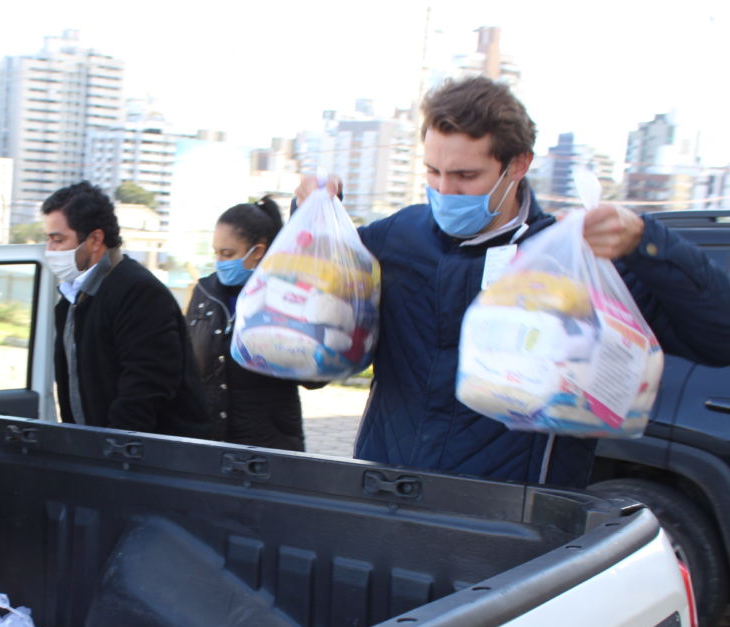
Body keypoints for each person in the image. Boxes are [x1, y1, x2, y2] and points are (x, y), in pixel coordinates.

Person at [295, 76, 730, 488]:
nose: (445, 190)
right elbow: (312, 356)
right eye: (433, 172)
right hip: (389, 492)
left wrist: (648, 244)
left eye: (466, 176)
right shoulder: (395, 237)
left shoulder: (576, 260)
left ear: (518, 165)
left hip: (517, 515)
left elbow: (718, 337)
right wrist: (312, 221)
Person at [41, 181, 211, 439]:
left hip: (147, 459)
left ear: (95, 239)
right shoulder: (71, 298)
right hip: (99, 452)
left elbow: (145, 388)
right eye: (49, 240)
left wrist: (113, 454)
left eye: (58, 240)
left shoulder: (139, 293)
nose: (50, 251)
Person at [185, 197, 316, 450]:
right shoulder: (205, 292)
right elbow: (188, 367)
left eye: (228, 254)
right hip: (210, 443)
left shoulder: (284, 295)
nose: (220, 261)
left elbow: (314, 377)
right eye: (217, 253)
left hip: (269, 449)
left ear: (257, 252)